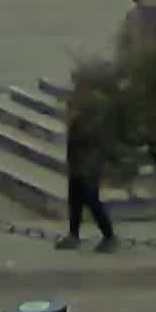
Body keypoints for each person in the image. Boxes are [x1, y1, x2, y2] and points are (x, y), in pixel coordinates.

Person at [56, 91, 116, 253]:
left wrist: (76, 121)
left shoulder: (97, 105)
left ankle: (109, 236)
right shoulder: (77, 99)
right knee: (74, 200)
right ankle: (73, 235)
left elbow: (93, 136)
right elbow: (72, 136)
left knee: (92, 200)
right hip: (77, 162)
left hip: (90, 164)